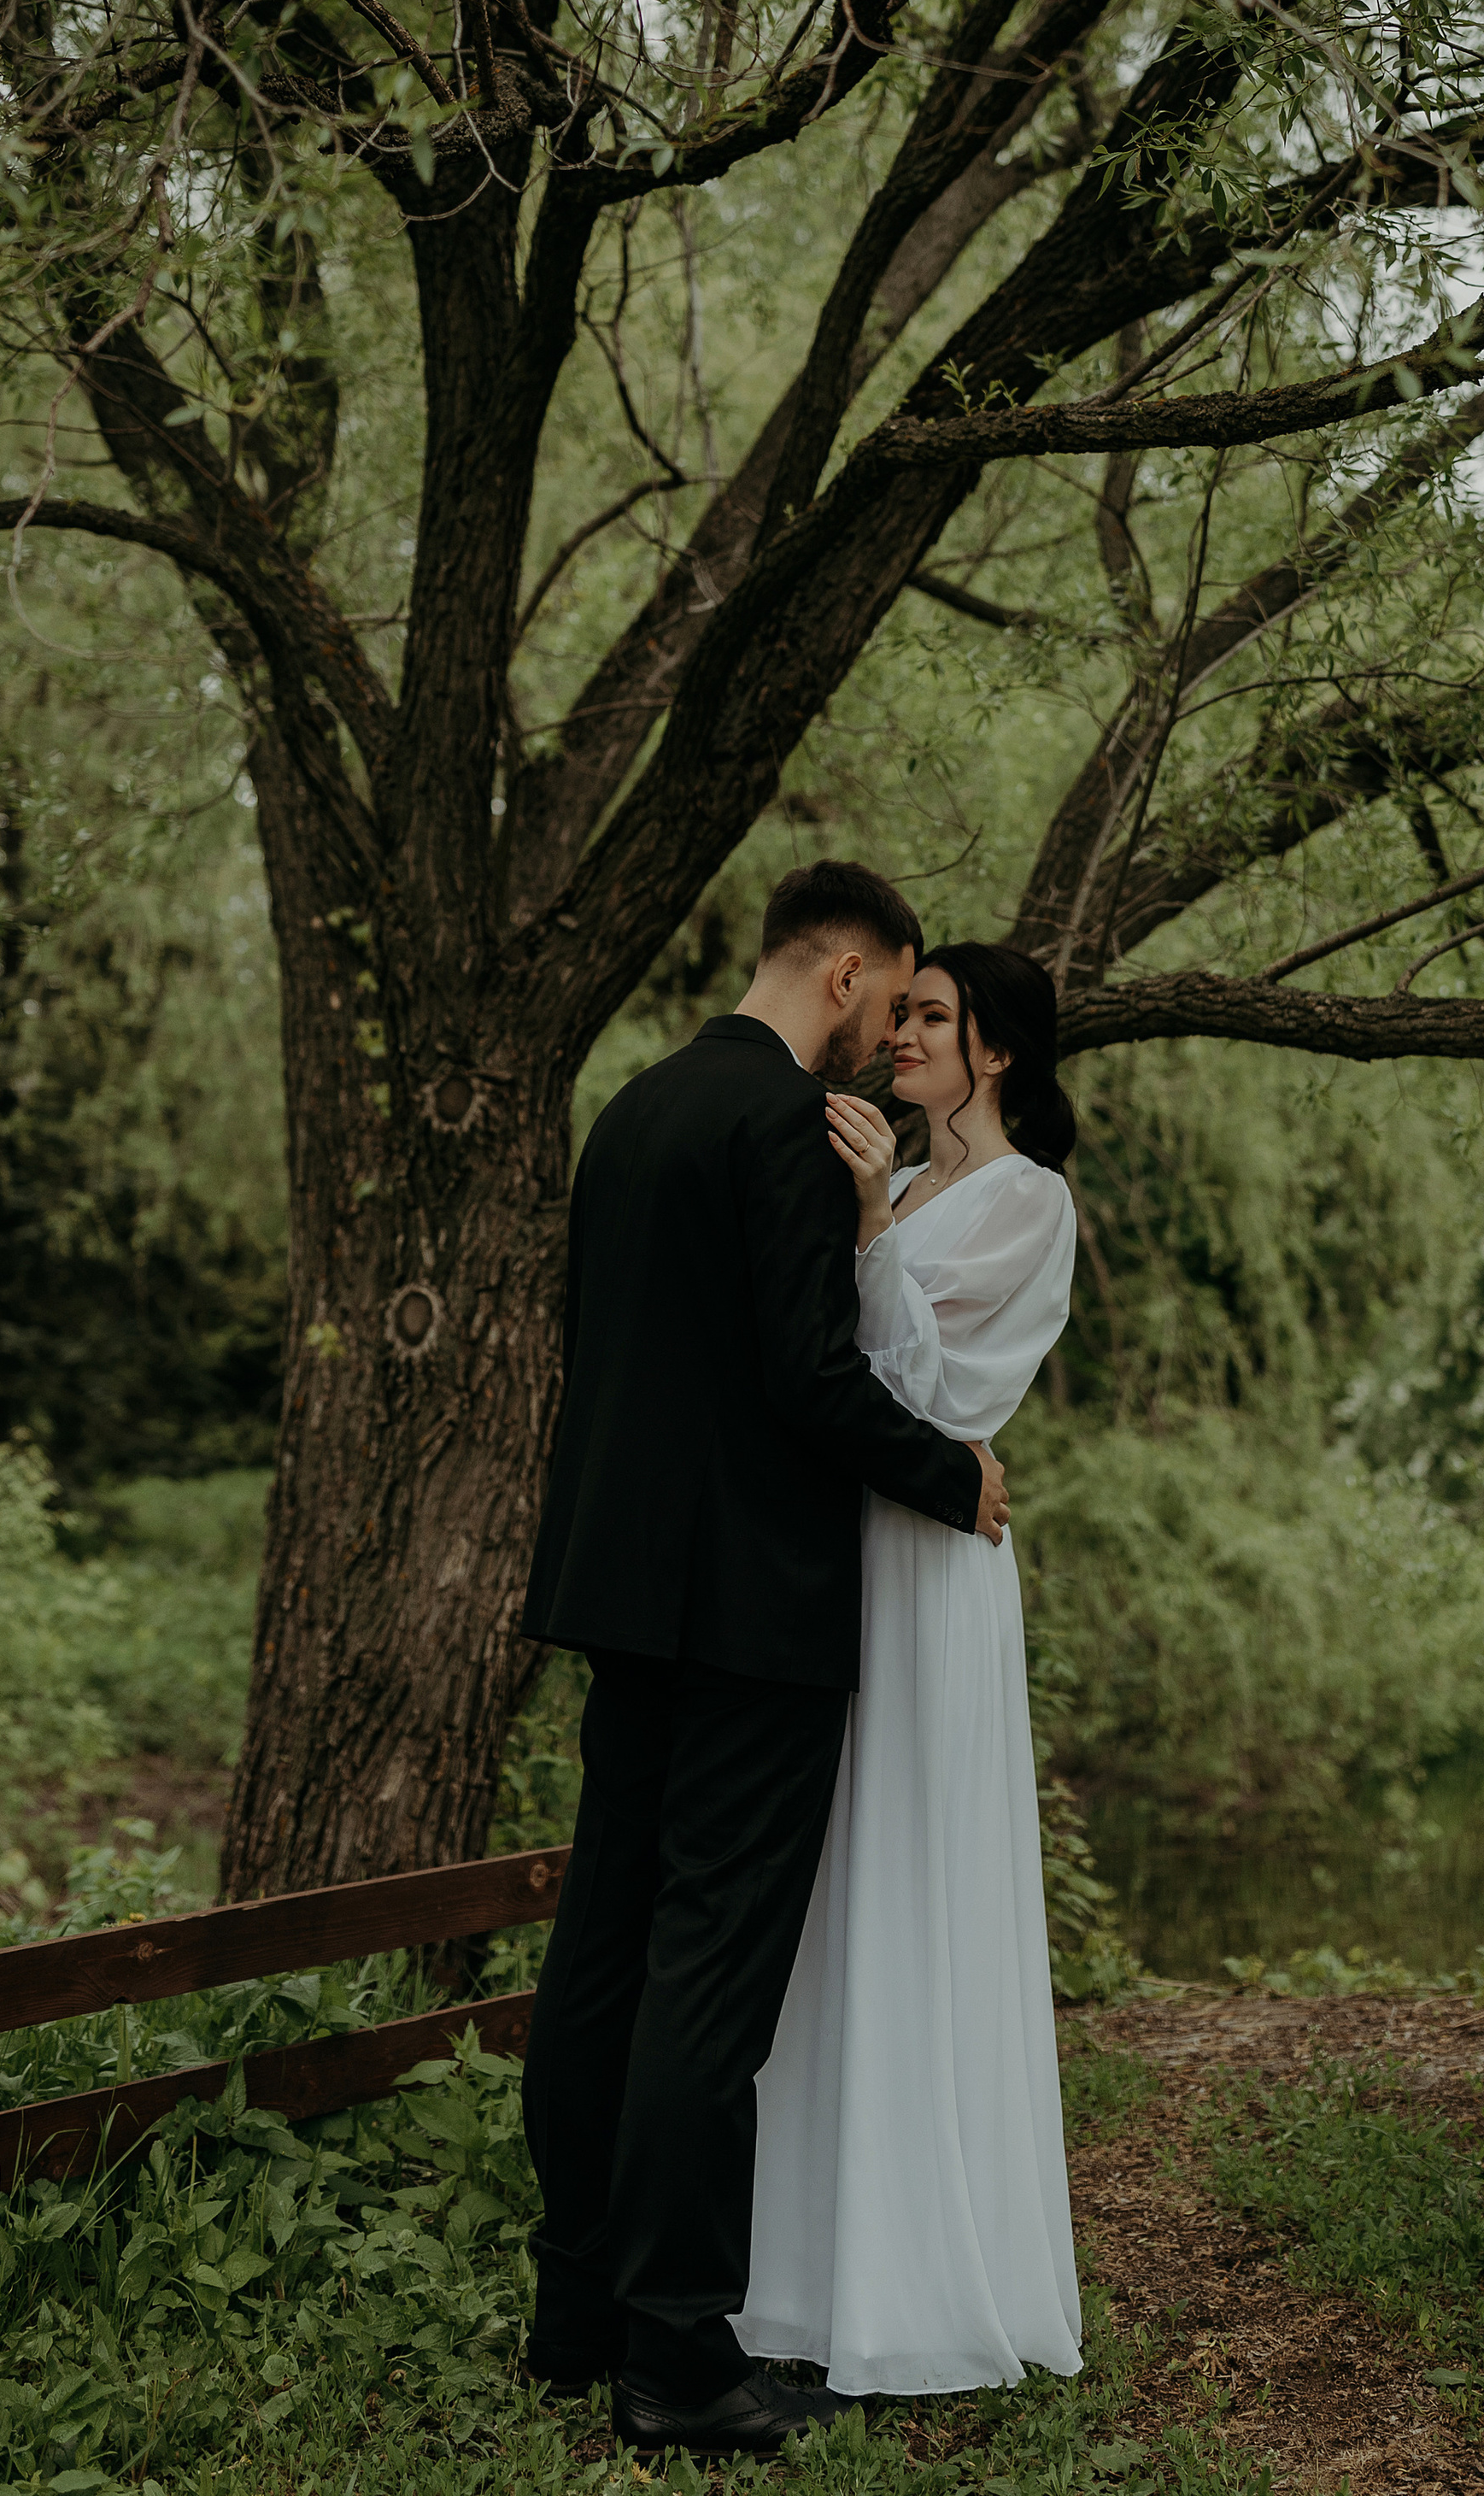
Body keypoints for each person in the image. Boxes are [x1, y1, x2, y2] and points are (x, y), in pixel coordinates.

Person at [515, 860, 1012, 2458]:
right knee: (707, 1982)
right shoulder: (786, 1131)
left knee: (601, 1953)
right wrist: (955, 1472)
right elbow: (807, 1380)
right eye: (895, 997)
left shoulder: (633, 1113)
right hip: (753, 1616)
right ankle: (675, 2351)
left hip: (624, 1592)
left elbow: (628, 1363)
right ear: (851, 972)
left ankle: (575, 2306)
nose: (887, 1038)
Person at [736, 939, 1084, 2396]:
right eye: (906, 1013)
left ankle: (934, 2273)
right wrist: (875, 1205)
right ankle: (809, 2270)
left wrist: (872, 1208)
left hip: (937, 1558)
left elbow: (942, 1393)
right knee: (830, 1882)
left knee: (916, 1872)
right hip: (847, 1553)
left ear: (995, 1048)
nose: (906, 1037)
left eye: (935, 1018)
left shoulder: (1027, 1203)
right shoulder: (910, 1187)